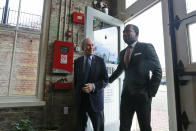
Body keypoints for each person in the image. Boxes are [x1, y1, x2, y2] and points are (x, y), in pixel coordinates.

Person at [109, 24, 162, 131]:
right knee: (124, 127)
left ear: (137, 34)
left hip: (142, 96)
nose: (124, 34)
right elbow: (119, 70)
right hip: (126, 96)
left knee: (145, 127)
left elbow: (157, 71)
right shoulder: (122, 53)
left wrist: (150, 93)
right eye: (123, 32)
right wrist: (106, 81)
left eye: (128, 31)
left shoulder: (146, 47)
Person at [74, 38, 108, 131]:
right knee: (80, 127)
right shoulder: (77, 62)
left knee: (98, 128)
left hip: (96, 101)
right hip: (81, 101)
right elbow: (76, 81)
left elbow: (105, 80)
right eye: (88, 45)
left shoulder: (100, 61)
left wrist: (93, 86)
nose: (91, 47)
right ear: (83, 47)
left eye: (92, 45)